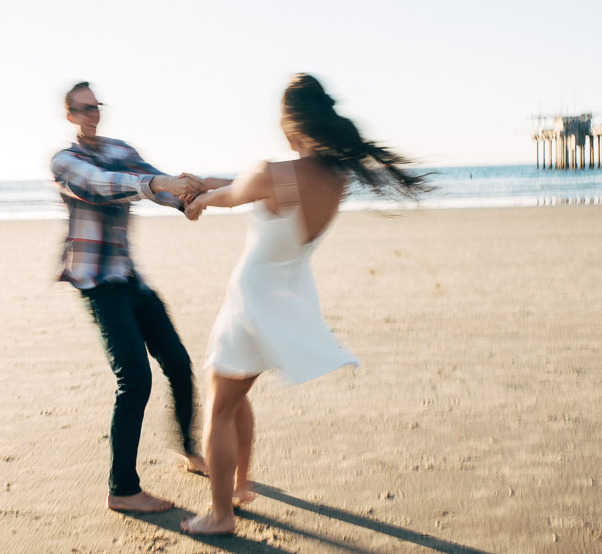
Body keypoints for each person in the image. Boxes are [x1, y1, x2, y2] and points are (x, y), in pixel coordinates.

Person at [179, 73, 432, 535]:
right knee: (236, 397)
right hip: (287, 298)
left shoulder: (273, 173)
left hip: (250, 302)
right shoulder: (336, 179)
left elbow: (232, 195)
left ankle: (220, 515)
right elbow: (243, 186)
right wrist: (202, 185)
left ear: (290, 125)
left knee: (219, 408)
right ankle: (238, 485)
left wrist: (195, 202)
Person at [51, 81, 219, 513]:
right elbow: (103, 185)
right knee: (135, 379)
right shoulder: (66, 161)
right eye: (83, 109)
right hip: (98, 287)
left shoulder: (121, 149)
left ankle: (188, 450)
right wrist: (160, 182)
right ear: (69, 115)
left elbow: (154, 185)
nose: (92, 114)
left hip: (130, 279)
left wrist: (186, 198)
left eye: (95, 107)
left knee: (179, 364)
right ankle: (122, 490)